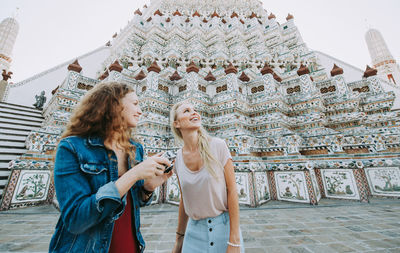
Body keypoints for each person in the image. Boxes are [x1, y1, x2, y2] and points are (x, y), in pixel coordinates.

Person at [49, 82, 172, 253]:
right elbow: (75, 219)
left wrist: (148, 187)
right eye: (135, 104)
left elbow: (131, 201)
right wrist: (133, 174)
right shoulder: (72, 148)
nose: (141, 111)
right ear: (114, 105)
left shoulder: (134, 148)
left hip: (129, 242)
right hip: (87, 247)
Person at [170, 101, 244, 253]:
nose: (194, 112)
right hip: (194, 233)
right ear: (176, 123)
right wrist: (179, 239)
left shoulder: (218, 146)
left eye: (195, 110)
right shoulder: (177, 158)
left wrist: (235, 240)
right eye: (187, 111)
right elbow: (185, 199)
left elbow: (232, 191)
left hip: (224, 229)